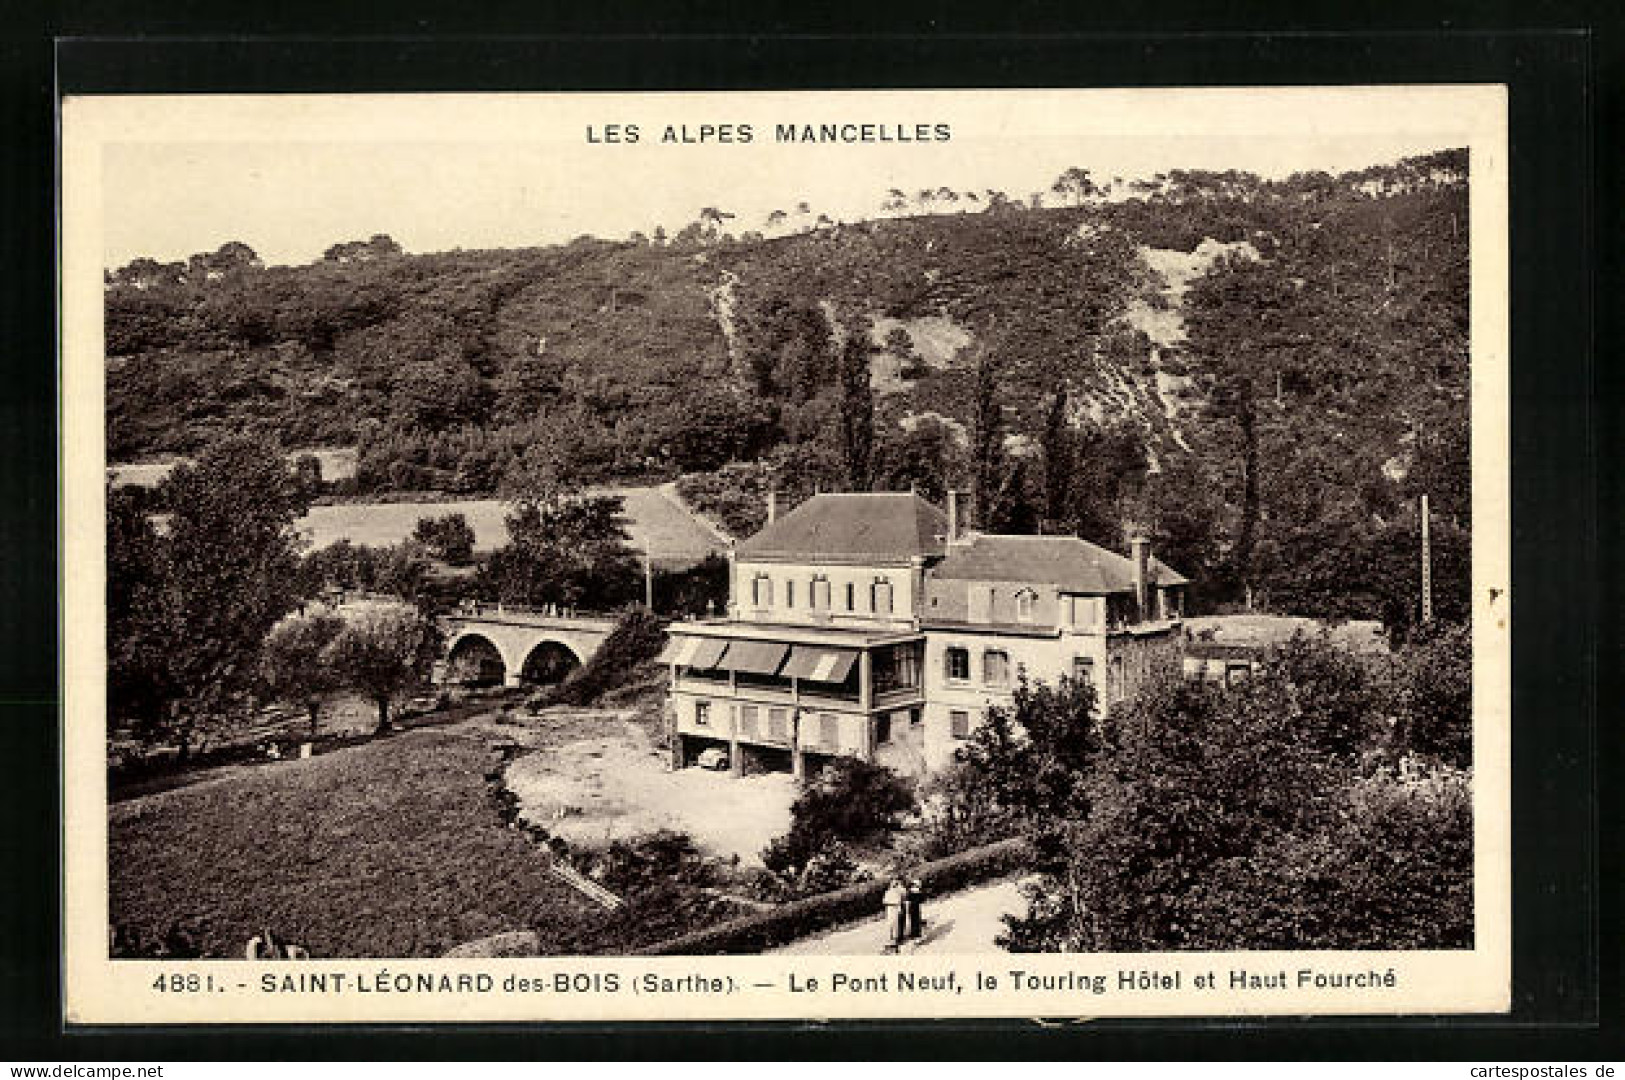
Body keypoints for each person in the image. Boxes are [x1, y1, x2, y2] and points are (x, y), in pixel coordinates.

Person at [881, 878, 907, 952]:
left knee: (896, 924)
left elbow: (898, 901)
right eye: (893, 884)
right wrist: (891, 903)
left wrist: (898, 907)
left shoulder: (897, 892)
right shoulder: (888, 892)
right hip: (890, 909)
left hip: (895, 909)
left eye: (895, 884)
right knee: (890, 924)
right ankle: (891, 938)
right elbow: (884, 901)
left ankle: (896, 940)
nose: (894, 885)